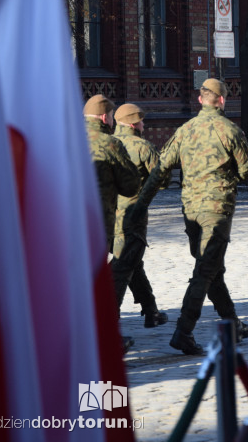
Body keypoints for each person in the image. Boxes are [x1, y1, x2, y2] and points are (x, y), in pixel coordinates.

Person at [130, 78, 248, 356]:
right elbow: (247, 171)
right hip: (217, 209)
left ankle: (232, 324)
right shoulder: (230, 130)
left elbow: (160, 169)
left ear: (201, 100)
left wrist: (141, 205)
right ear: (222, 100)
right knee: (205, 270)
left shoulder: (184, 130)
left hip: (190, 210)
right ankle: (184, 332)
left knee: (210, 268)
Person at [83, 93, 141, 353]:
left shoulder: (63, 141)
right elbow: (130, 186)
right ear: (106, 118)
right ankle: (105, 340)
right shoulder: (110, 143)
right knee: (96, 282)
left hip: (62, 227)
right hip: (97, 226)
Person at [111, 103, 167, 328]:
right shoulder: (143, 147)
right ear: (134, 123)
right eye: (142, 121)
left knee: (132, 260)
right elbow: (161, 179)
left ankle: (151, 309)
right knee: (124, 265)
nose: (144, 125)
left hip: (106, 216)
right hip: (132, 215)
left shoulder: (104, 143)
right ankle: (108, 319)